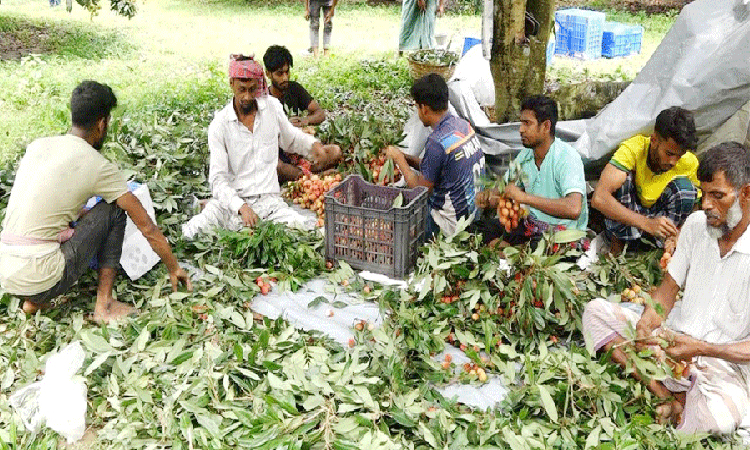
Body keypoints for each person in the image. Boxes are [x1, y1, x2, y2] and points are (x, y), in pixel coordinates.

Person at [583, 142, 750, 434]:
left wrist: (703, 349)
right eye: (704, 193)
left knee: (718, 418)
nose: (706, 204)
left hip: (724, 367)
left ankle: (676, 397)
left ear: (746, 194)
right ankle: (665, 394)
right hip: (673, 343)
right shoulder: (697, 226)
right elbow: (667, 290)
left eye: (718, 196)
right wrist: (649, 321)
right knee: (595, 313)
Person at [0, 81, 192, 323]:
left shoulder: (37, 146)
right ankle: (105, 304)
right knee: (114, 209)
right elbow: (147, 227)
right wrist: (174, 267)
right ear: (102, 124)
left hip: (6, 274)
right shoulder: (97, 165)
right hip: (42, 277)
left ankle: (33, 301)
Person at [181, 54, 341, 238]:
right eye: (242, 89)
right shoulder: (220, 125)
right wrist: (240, 206)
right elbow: (217, 180)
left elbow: (291, 138)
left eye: (252, 89)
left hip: (269, 203)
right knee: (189, 235)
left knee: (309, 232)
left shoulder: (271, 109)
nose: (247, 96)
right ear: (231, 84)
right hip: (231, 205)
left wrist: (313, 146)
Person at [473, 96, 588, 248]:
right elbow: (507, 191)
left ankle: (511, 252)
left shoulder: (567, 158)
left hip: (561, 235)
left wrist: (524, 198)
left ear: (546, 126)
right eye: (521, 123)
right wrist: (489, 198)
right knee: (477, 229)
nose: (521, 129)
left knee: (540, 248)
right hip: (532, 228)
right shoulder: (526, 156)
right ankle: (511, 251)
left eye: (527, 124)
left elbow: (573, 209)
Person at [385, 73, 485, 238]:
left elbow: (420, 190)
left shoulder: (437, 142)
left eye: (417, 107)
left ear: (424, 108)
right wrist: (406, 157)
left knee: (396, 217)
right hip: (473, 213)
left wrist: (399, 160)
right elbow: (435, 167)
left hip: (452, 226)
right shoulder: (461, 126)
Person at [591, 107, 699, 254]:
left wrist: (679, 232)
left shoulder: (688, 162)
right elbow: (599, 198)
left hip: (661, 222)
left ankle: (666, 248)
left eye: (679, 156)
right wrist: (646, 223)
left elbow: (697, 207)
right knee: (623, 180)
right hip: (632, 218)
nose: (673, 162)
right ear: (654, 140)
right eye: (669, 153)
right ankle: (617, 250)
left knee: (687, 190)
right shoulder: (634, 149)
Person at [263, 45, 340, 182]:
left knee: (335, 151)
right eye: (279, 74)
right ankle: (310, 177)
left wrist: (305, 121)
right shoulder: (264, 101)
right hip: (280, 155)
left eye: (287, 72)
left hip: (300, 151)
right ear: (268, 74)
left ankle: (306, 175)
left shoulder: (294, 89)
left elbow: (320, 113)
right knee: (278, 167)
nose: (285, 78)